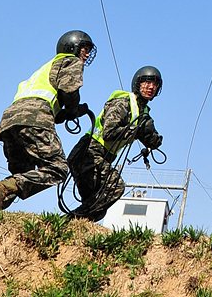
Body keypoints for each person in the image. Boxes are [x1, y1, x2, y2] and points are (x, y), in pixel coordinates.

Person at [0, 30, 95, 209]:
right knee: (57, 169)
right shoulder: (70, 61)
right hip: (35, 118)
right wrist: (74, 110)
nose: (87, 54)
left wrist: (63, 114)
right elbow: (69, 89)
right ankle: (2, 188)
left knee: (23, 175)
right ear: (72, 47)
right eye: (84, 49)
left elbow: (48, 104)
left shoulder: (44, 69)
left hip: (9, 122)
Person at [65, 65, 164, 221]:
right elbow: (109, 132)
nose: (151, 87)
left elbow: (153, 139)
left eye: (155, 84)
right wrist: (136, 129)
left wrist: (150, 137)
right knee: (114, 188)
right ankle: (69, 221)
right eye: (147, 82)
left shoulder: (142, 113)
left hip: (99, 158)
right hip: (88, 153)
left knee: (96, 210)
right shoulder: (124, 102)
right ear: (137, 84)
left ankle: (70, 227)